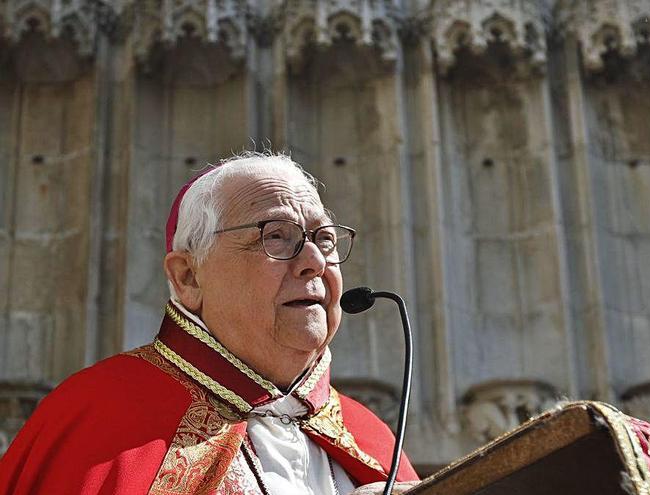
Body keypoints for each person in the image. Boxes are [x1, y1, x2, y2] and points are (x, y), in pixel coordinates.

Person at [0, 153, 420, 494]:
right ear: (189, 276)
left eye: (324, 238)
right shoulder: (97, 415)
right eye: (276, 235)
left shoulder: (372, 439)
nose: (313, 262)